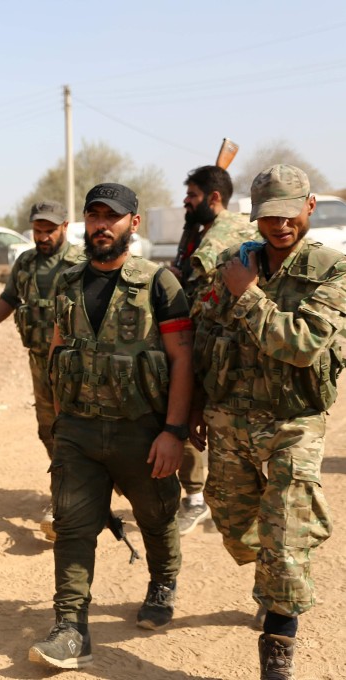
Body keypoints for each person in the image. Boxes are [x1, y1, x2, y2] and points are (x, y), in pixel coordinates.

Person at [29, 184, 192, 670]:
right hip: (78, 429)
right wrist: (61, 422)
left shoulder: (159, 284)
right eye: (94, 215)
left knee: (157, 516)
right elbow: (59, 349)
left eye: (112, 217)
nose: (102, 225)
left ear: (133, 225)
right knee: (73, 526)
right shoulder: (69, 282)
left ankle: (162, 582)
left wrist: (175, 432)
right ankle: (71, 628)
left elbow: (182, 360)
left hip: (141, 429)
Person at [193, 165, 344, 679]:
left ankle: (278, 643)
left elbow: (302, 346)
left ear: (309, 206)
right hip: (230, 418)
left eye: (287, 214)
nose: (279, 225)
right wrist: (194, 409)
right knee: (234, 525)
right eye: (267, 216)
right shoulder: (234, 262)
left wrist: (248, 293)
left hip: (292, 422)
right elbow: (203, 332)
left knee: (285, 540)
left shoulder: (333, 269)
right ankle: (279, 567)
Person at [0, 200, 83, 539]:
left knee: (73, 430)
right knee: (48, 429)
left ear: (65, 226)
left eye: (50, 230)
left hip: (75, 363)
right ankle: (70, 489)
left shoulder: (81, 262)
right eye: (38, 230)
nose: (43, 236)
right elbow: (10, 297)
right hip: (39, 361)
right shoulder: (26, 262)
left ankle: (66, 501)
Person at [173, 166, 259, 535]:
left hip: (211, 343)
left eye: (192, 196)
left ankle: (197, 500)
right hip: (240, 346)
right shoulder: (237, 226)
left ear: (213, 198)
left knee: (184, 413)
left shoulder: (216, 237)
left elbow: (193, 285)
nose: (185, 202)